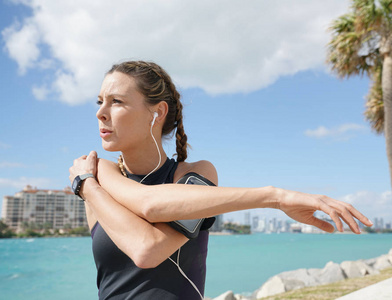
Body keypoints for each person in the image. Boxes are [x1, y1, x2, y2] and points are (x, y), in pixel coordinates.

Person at [69, 60, 372, 300]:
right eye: (99, 102)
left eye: (117, 101)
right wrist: (90, 183)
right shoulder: (101, 174)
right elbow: (145, 207)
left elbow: (147, 245)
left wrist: (84, 185)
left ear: (157, 112)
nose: (100, 113)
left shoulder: (195, 175)